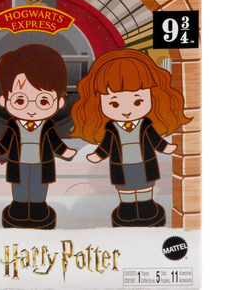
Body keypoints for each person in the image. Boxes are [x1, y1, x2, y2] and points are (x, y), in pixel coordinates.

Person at [70, 49, 190, 227]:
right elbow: (106, 145)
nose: (126, 111)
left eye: (137, 102)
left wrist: (166, 147)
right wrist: (98, 155)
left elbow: (155, 140)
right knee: (125, 188)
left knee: (144, 186)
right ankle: (127, 209)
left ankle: (146, 207)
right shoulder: (111, 128)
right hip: (121, 165)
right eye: (114, 103)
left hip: (144, 162)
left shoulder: (146, 124)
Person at [0, 44, 76, 229]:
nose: (32, 109)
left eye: (43, 100)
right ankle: (18, 209)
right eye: (20, 100)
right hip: (18, 162)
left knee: (39, 187)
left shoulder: (48, 126)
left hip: (42, 163)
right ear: (5, 100)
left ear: (59, 101)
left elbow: (54, 142)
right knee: (19, 186)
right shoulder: (13, 125)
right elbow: (6, 141)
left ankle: (38, 209)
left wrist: (64, 152)